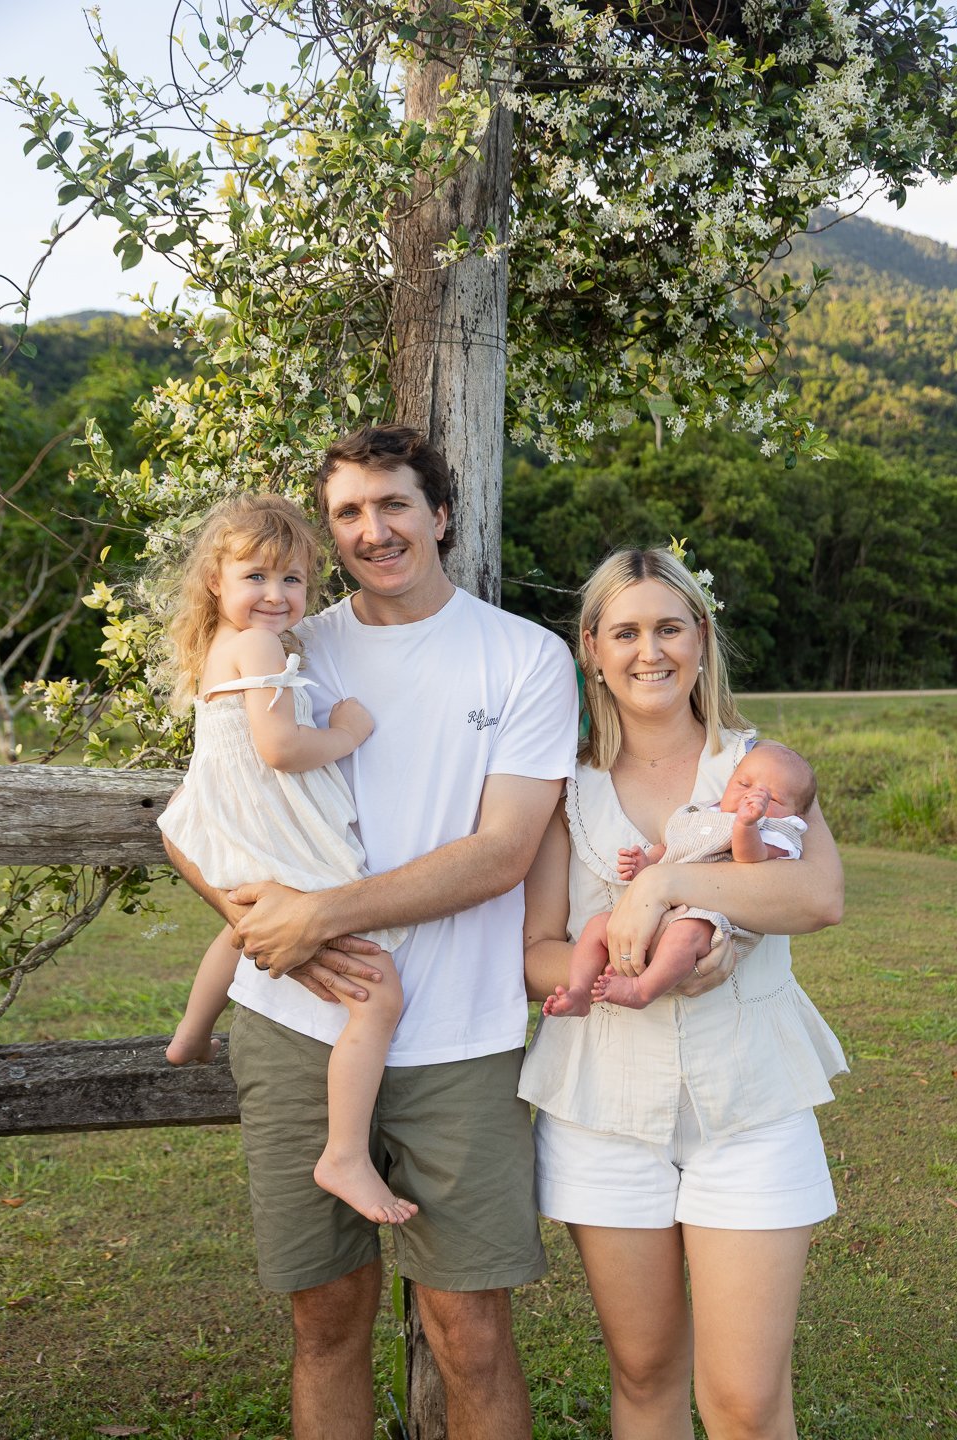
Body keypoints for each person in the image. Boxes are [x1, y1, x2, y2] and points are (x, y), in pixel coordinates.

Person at [160, 426, 580, 1440]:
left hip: (459, 1037)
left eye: (393, 504)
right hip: (297, 1021)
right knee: (326, 1321)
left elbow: (502, 853)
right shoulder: (287, 639)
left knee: (471, 1328)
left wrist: (322, 918)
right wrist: (268, 935)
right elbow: (193, 825)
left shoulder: (522, 656)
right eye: (348, 512)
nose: (373, 529)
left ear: (440, 514)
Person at [519, 545, 847, 1440]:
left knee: (743, 1402)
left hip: (749, 1103)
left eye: (669, 627)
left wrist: (667, 887)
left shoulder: (758, 770)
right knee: (645, 1373)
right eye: (624, 631)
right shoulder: (563, 785)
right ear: (590, 647)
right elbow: (536, 953)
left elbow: (818, 896)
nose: (648, 651)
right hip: (603, 1107)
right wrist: (608, 968)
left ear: (701, 637)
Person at [154, 492, 416, 1225]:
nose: (275, 595)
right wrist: (348, 732)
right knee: (380, 992)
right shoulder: (262, 647)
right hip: (278, 831)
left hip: (239, 830)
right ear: (217, 580)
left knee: (241, 925)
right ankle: (344, 1153)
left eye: (293, 580)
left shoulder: (220, 648)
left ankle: (190, 1036)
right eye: (256, 578)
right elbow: (281, 750)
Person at [545, 739, 817, 1015]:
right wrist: (645, 863)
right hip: (651, 920)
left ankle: (642, 990)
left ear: (797, 815)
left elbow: (751, 857)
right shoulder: (702, 813)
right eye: (744, 785)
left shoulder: (777, 831)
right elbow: (673, 848)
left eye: (772, 798)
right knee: (598, 926)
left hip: (706, 922)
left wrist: (747, 824)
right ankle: (579, 991)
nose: (753, 799)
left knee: (686, 933)